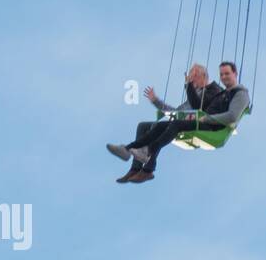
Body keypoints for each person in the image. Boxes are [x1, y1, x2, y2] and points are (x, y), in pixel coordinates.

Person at [107, 62, 250, 184]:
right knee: (150, 125)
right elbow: (179, 111)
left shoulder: (221, 91)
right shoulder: (217, 93)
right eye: (222, 74)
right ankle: (132, 157)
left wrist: (189, 88)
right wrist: (157, 102)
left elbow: (214, 112)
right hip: (195, 121)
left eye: (193, 77)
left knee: (172, 125)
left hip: (208, 127)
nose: (191, 81)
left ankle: (147, 158)